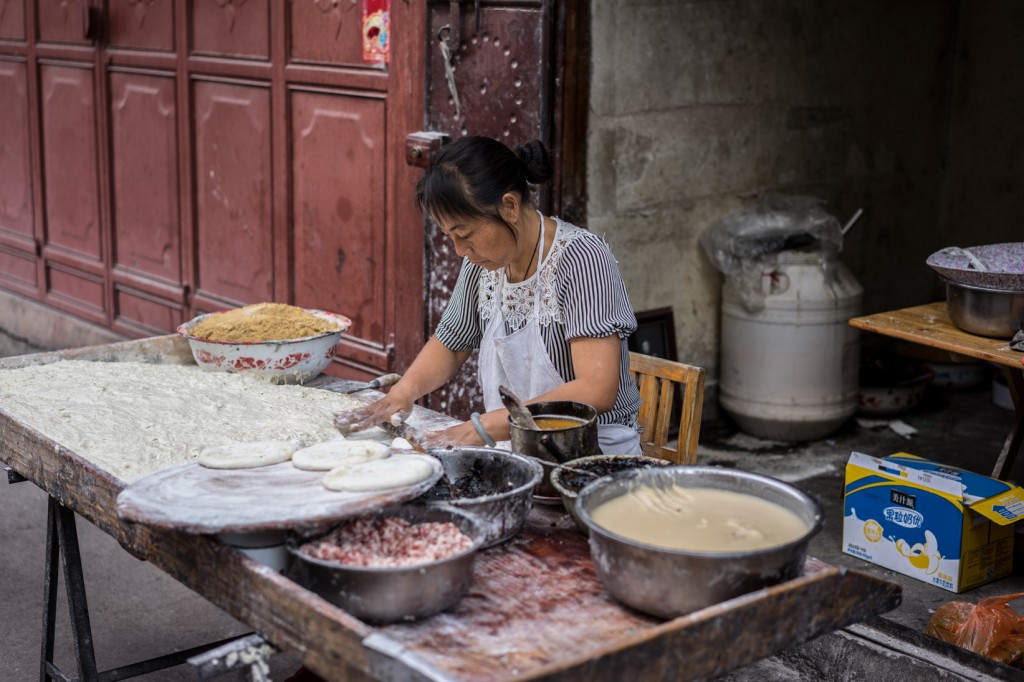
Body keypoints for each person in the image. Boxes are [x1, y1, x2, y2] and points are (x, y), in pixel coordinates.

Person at [337, 135, 641, 453]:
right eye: (450, 237)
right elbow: (452, 342)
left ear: (508, 206)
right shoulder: (486, 263)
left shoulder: (582, 259)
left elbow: (597, 389)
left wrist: (485, 427)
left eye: (465, 234)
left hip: (593, 449)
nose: (459, 251)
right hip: (518, 443)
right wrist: (403, 391)